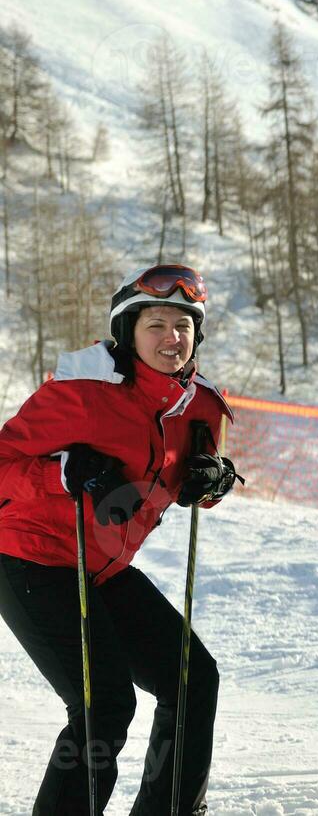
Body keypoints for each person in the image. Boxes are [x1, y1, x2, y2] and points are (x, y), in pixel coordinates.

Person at [0, 264, 238, 816]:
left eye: (183, 324)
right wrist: (60, 475)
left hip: (101, 566)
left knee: (191, 678)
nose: (170, 338)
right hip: (30, 558)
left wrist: (212, 482)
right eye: (155, 324)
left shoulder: (200, 406)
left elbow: (185, 483)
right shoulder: (84, 393)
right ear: (128, 331)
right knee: (103, 704)